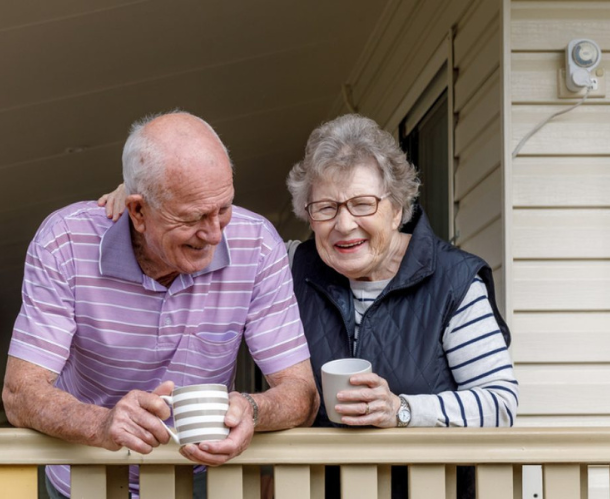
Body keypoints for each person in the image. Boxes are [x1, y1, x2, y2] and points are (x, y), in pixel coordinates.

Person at [99, 114, 518, 498]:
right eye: (326, 208)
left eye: (362, 204)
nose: (344, 224)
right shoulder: (287, 265)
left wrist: (403, 410)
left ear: (397, 208)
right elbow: (189, 223)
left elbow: (500, 403)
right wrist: (149, 203)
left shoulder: (453, 282)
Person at [3, 111, 319, 499]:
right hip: (85, 477)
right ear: (138, 212)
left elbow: (302, 395)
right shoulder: (64, 242)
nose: (215, 234)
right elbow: (20, 395)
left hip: (202, 477)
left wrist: (252, 411)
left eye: (223, 209)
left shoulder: (257, 244)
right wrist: (102, 424)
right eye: (193, 218)